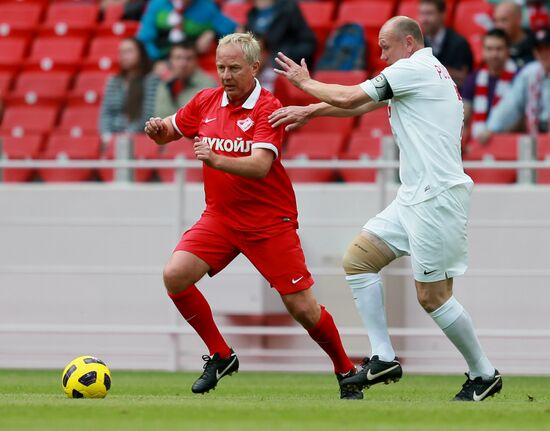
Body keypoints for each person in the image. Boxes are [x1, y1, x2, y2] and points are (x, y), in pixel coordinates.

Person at [270, 16, 502, 402]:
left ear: (409, 43)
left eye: (385, 46)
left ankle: (483, 373)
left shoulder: (414, 68)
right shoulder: (421, 71)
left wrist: (305, 84)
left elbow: (349, 98)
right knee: (358, 260)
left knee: (433, 297)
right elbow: (357, 107)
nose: (380, 55)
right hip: (413, 195)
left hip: (436, 197)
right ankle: (383, 356)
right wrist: (309, 111)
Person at [144, 32, 361, 400]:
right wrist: (157, 130)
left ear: (254, 67)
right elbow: (171, 130)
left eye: (233, 68)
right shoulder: (205, 101)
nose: (225, 75)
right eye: (220, 67)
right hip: (221, 217)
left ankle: (346, 369)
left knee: (303, 309)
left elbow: (260, 166)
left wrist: (215, 159)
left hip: (268, 222)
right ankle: (220, 354)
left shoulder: (269, 108)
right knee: (175, 276)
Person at [479, 26, 550, 143]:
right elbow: (511, 103)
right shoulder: (529, 73)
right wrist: (491, 128)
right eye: (539, 49)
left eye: (547, 49)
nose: (544, 53)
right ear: (534, 52)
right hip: (537, 138)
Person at [245, 0, 316, 92]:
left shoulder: (288, 9)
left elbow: (308, 43)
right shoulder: (253, 13)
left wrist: (283, 59)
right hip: (258, 66)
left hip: (278, 66)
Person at [99, 37, 159, 144]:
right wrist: (107, 136)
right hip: (113, 139)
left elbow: (149, 115)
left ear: (141, 54)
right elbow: (105, 114)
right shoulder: (114, 81)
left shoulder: (151, 80)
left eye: (129, 51)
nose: (124, 56)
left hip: (141, 139)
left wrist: (127, 136)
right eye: (121, 52)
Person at [136, 0, 238, 61]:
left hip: (191, 62)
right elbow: (144, 39)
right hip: (160, 59)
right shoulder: (157, 5)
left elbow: (233, 29)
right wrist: (157, 61)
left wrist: (212, 33)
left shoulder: (206, 7)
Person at [462, 29, 517, 141]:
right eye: (489, 49)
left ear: (508, 50)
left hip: (509, 140)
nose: (494, 54)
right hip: (479, 142)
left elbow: (520, 116)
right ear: (483, 51)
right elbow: (464, 116)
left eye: (499, 49)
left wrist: (493, 133)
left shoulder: (519, 76)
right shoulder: (474, 78)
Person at [418, 0, 473, 90]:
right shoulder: (419, 44)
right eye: (422, 14)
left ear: (442, 15)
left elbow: (465, 80)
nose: (424, 19)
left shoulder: (460, 44)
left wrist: (430, 70)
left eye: (429, 13)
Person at [154, 40, 217, 119]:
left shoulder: (208, 86)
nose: (183, 63)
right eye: (178, 58)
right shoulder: (165, 83)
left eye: (189, 58)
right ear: (170, 61)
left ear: (196, 61)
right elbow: (159, 116)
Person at [493, 1, 535, 68]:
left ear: (519, 19)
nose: (499, 26)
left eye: (504, 20)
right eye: (496, 21)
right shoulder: (493, 45)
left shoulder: (536, 44)